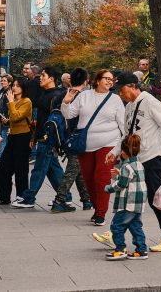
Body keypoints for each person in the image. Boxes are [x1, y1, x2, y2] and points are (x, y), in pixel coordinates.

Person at [95, 72, 161, 253]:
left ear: (132, 86)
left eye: (121, 90)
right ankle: (116, 231)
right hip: (132, 159)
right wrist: (114, 152)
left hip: (151, 156)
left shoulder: (151, 102)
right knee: (125, 195)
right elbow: (126, 133)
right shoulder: (129, 106)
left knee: (154, 197)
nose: (120, 94)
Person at [61, 68, 125, 226]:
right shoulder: (84, 96)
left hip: (109, 143)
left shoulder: (115, 100)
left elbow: (124, 125)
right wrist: (66, 101)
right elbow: (69, 114)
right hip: (86, 144)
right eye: (107, 78)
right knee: (88, 179)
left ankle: (101, 213)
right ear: (97, 80)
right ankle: (97, 208)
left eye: (112, 79)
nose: (110, 81)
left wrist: (123, 146)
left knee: (101, 177)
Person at [12, 66, 65, 208]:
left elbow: (56, 120)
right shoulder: (45, 94)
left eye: (43, 75)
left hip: (48, 138)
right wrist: (34, 138)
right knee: (53, 171)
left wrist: (50, 139)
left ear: (52, 79)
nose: (40, 77)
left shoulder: (57, 96)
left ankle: (29, 198)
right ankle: (65, 196)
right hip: (42, 136)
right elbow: (40, 120)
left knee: (39, 170)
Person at [51, 67, 93, 213]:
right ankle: (59, 200)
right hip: (78, 137)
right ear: (86, 81)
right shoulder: (84, 97)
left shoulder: (61, 95)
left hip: (62, 137)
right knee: (72, 170)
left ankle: (87, 200)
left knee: (77, 168)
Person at [103, 133, 148, 261]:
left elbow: (122, 184)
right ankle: (141, 250)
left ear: (123, 152)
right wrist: (119, 174)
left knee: (116, 225)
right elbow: (132, 180)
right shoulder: (139, 164)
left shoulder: (126, 166)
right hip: (138, 202)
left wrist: (108, 188)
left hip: (128, 202)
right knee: (135, 226)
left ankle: (120, 249)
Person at [0, 77, 32, 204]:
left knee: (20, 169)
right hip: (12, 137)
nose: (14, 87)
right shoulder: (14, 101)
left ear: (23, 88)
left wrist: (11, 102)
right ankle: (4, 196)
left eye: (18, 85)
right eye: (14, 85)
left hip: (23, 137)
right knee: (2, 168)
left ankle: (22, 197)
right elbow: (13, 117)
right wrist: (6, 120)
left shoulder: (26, 101)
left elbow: (17, 116)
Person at [0, 73, 13, 160]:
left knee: (3, 136)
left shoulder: (9, 92)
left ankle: (1, 155)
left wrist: (5, 117)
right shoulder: (1, 91)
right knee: (1, 136)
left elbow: (9, 107)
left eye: (4, 81)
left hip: (5, 118)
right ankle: (0, 154)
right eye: (1, 80)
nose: (2, 82)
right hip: (0, 117)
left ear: (9, 83)